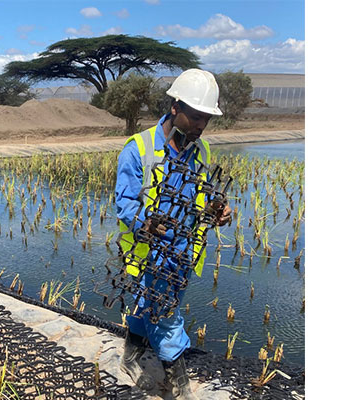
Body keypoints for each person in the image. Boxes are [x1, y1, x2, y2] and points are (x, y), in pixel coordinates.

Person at [115, 69, 232, 399]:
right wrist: (145, 223)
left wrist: (218, 206)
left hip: (182, 251)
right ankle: (179, 384)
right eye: (196, 117)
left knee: (145, 304)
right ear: (176, 107)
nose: (201, 126)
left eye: (206, 119)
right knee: (166, 314)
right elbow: (123, 202)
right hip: (147, 252)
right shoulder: (138, 149)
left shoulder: (201, 151)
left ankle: (130, 357)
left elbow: (202, 193)